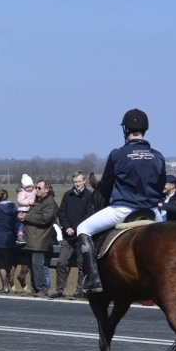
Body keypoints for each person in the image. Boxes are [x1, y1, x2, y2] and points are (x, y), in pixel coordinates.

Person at [77, 108, 165, 294]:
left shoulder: (118, 154)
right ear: (145, 129)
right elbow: (161, 184)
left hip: (123, 209)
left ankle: (93, 279)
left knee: (82, 229)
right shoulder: (158, 156)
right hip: (152, 211)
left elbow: (106, 186)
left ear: (126, 129)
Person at [51, 171, 92, 299]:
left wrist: (74, 228)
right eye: (75, 182)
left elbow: (88, 215)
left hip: (81, 236)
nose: (77, 184)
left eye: (79, 181)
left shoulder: (89, 196)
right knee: (61, 263)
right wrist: (67, 227)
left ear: (84, 181)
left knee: (82, 264)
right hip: (67, 236)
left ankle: (80, 290)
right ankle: (59, 290)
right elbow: (61, 212)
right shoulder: (67, 195)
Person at [17, 180, 58, 297]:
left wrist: (27, 216)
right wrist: (22, 216)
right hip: (31, 238)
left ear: (47, 189)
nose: (36, 189)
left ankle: (42, 289)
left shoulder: (50, 203)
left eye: (39, 188)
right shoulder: (37, 201)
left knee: (37, 264)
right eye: (36, 187)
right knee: (30, 265)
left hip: (39, 238)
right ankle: (35, 288)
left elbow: (45, 218)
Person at [15, 175, 35, 245]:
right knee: (22, 223)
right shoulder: (22, 193)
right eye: (27, 187)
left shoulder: (34, 192)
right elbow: (20, 201)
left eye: (30, 187)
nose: (29, 189)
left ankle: (27, 235)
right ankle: (20, 235)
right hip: (23, 210)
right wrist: (28, 203)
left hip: (31, 210)